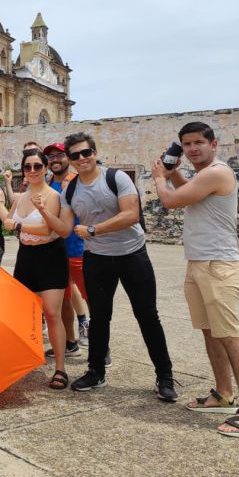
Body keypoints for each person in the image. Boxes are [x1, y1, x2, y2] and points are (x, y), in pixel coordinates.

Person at [39, 132, 177, 401]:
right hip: (97, 258)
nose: (82, 159)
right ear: (69, 159)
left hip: (131, 254)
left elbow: (131, 214)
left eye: (86, 153)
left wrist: (93, 229)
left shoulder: (116, 178)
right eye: (75, 155)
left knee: (147, 316)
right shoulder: (70, 189)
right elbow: (66, 229)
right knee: (100, 317)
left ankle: (165, 376)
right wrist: (42, 214)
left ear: (94, 152)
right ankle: (96, 371)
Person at [152, 122, 239, 437]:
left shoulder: (217, 172)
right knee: (210, 332)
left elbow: (172, 200)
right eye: (186, 144)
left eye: (198, 142)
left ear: (214, 144)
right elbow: (190, 192)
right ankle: (224, 394)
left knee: (229, 334)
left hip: (218, 265)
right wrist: (173, 174)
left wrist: (160, 177)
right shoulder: (204, 176)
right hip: (199, 262)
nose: (192, 149)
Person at [0, 150, 69, 390]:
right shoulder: (20, 197)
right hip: (26, 256)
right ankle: (26, 361)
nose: (33, 171)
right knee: (25, 313)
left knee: (51, 312)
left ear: (46, 168)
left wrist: (19, 224)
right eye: (28, 167)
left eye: (38, 166)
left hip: (51, 255)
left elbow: (49, 231)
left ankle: (60, 368)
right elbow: (7, 222)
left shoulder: (53, 196)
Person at [44, 142, 89, 355]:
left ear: (68, 158)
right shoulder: (47, 183)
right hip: (53, 251)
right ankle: (70, 342)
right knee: (63, 299)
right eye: (51, 157)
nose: (55, 160)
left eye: (59, 155)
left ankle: (101, 345)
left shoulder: (77, 182)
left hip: (76, 249)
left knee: (93, 299)